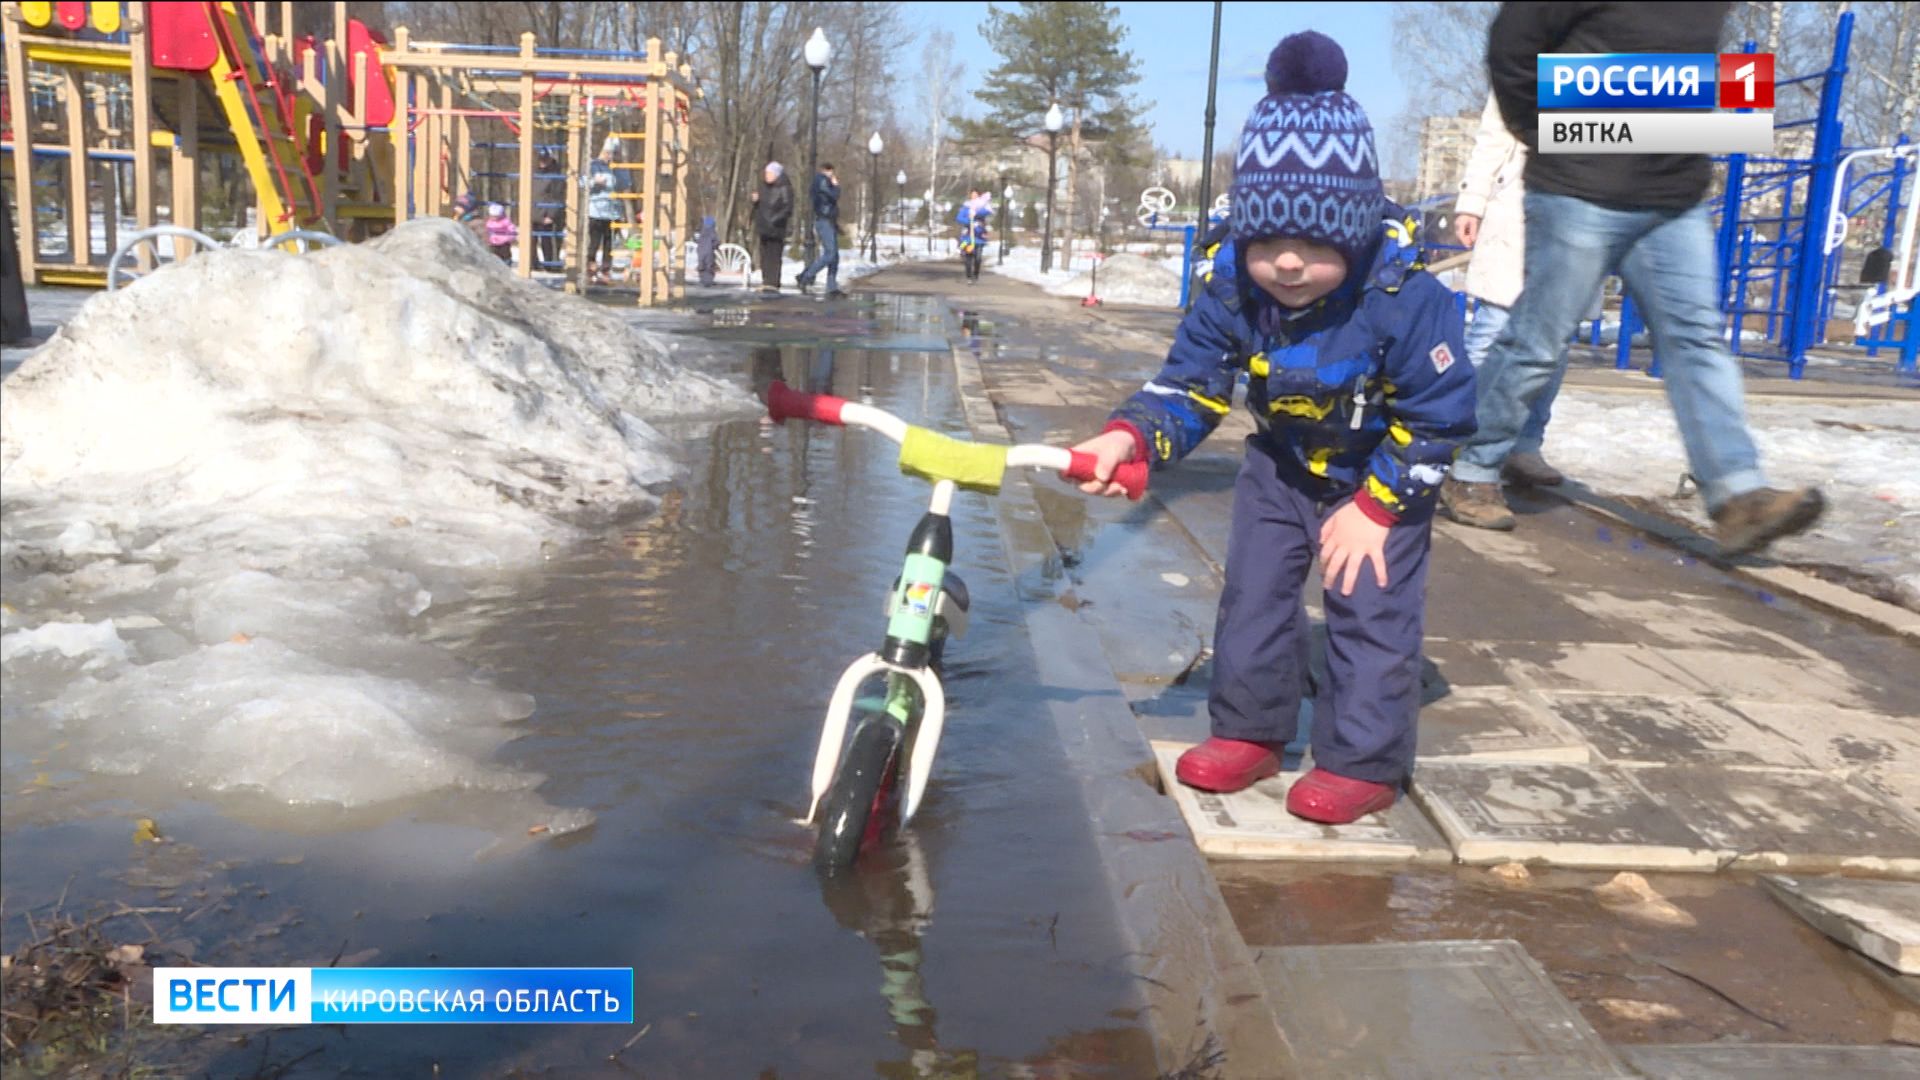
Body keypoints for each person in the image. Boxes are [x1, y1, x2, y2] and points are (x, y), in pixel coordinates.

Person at [1070, 31, 1476, 825]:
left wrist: (1381, 507)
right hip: (1282, 466)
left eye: (1314, 245)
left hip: (1377, 471)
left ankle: (1362, 759)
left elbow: (1442, 413)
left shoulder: (1401, 299)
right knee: (1254, 594)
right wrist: (1128, 436)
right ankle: (1251, 728)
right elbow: (1190, 384)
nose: (1288, 264)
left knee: (1368, 606)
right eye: (1269, 243)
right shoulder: (1234, 293)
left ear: (1353, 235)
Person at [1442, 1, 1823, 555]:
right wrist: (1551, 134)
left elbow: (1701, 78)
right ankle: (1473, 467)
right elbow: (1513, 45)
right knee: (1537, 342)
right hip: (1579, 188)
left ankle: (1738, 495)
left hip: (1674, 197)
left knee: (1697, 341)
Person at [1453, 92, 1566, 488]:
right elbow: (1493, 135)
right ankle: (1453, 430)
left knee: (1556, 342)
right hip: (1519, 201)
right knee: (1493, 330)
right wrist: (1472, 201)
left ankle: (1526, 445)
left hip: (1579, 209)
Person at [795, 162, 844, 298]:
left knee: (834, 256)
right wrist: (836, 186)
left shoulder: (821, 181)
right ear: (827, 170)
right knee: (830, 253)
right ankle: (806, 276)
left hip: (828, 219)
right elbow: (833, 196)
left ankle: (832, 287)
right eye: (831, 172)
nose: (833, 175)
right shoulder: (822, 181)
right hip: (824, 219)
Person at [751, 161, 795, 296]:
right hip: (763, 226)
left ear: (776, 174)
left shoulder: (784, 187)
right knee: (764, 255)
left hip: (776, 227)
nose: (766, 176)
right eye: (766, 173)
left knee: (774, 255)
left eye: (769, 173)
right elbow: (761, 206)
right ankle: (766, 280)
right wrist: (755, 201)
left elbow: (787, 208)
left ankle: (773, 282)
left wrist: (774, 220)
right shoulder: (763, 187)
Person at [586, 137, 623, 286]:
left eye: (613, 153)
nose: (610, 156)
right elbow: (582, 182)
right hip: (596, 211)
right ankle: (591, 269)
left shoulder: (619, 168)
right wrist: (595, 182)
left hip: (613, 212)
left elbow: (625, 184)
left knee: (610, 244)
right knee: (594, 242)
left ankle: (606, 270)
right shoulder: (593, 165)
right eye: (608, 153)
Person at [535, 150, 566, 268]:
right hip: (534, 211)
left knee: (548, 240)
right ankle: (533, 264)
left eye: (545, 159)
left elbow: (557, 196)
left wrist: (551, 214)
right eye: (541, 159)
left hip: (548, 212)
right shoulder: (534, 172)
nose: (542, 162)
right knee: (532, 240)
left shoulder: (555, 176)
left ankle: (552, 264)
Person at [955, 190, 991, 283]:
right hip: (967, 238)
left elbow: (986, 212)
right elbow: (959, 218)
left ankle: (976, 274)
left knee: (978, 258)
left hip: (979, 237)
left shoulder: (983, 206)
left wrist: (976, 213)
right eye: (972, 195)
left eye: (976, 195)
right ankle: (969, 276)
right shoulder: (966, 207)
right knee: (968, 257)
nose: (974, 196)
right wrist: (968, 221)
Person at [696, 214, 719, 287]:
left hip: (701, 252)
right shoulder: (713, 233)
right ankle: (708, 281)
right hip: (709, 253)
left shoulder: (701, 233)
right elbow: (716, 243)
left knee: (702, 265)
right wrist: (716, 246)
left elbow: (697, 240)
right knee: (709, 266)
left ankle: (702, 279)